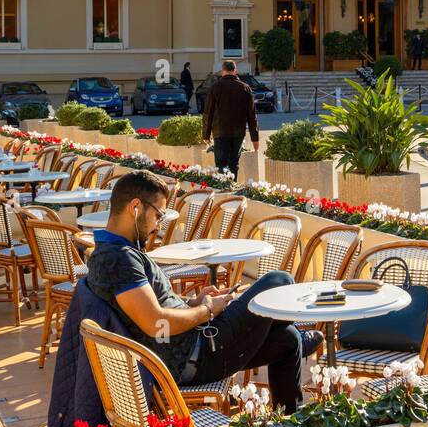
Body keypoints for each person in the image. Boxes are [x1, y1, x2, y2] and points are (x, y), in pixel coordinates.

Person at [85, 171, 321, 411]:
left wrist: (192, 303)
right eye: (158, 215)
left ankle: (289, 424)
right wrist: (207, 310)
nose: (158, 225)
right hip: (196, 355)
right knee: (279, 280)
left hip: (193, 348)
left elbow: (152, 306)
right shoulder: (118, 259)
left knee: (287, 340)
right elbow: (155, 322)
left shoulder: (116, 250)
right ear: (135, 207)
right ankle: (293, 327)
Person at [202, 60, 259, 179]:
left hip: (220, 132)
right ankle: (233, 188)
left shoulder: (215, 87)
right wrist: (255, 138)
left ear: (223, 71)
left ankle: (223, 190)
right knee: (234, 164)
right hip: (238, 132)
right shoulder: (245, 88)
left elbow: (208, 113)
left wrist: (206, 134)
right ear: (235, 71)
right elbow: (252, 116)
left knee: (221, 165)